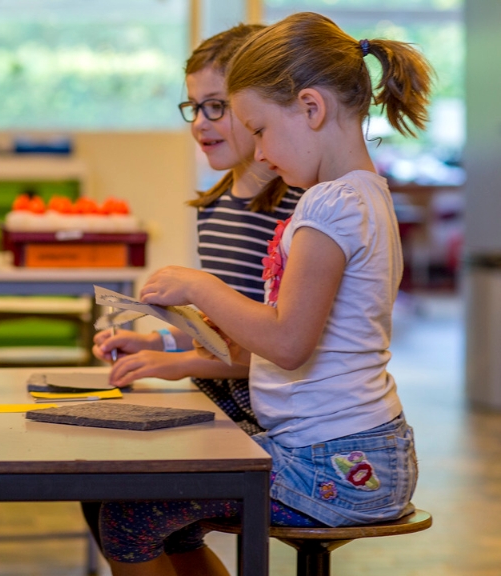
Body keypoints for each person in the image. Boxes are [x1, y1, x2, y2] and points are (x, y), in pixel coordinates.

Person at [99, 12, 431, 575]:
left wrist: (200, 287)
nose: (259, 151)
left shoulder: (329, 206)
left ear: (310, 108)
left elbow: (287, 341)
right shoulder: (365, 197)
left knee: (129, 514)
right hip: (357, 456)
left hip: (330, 465)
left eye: (258, 130)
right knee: (157, 494)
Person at [93, 23, 303, 436]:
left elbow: (279, 347)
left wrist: (179, 364)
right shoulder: (212, 208)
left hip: (268, 424)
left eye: (216, 106)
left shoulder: (299, 212)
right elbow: (220, 330)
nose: (200, 123)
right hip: (217, 409)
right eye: (194, 107)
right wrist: (157, 344)